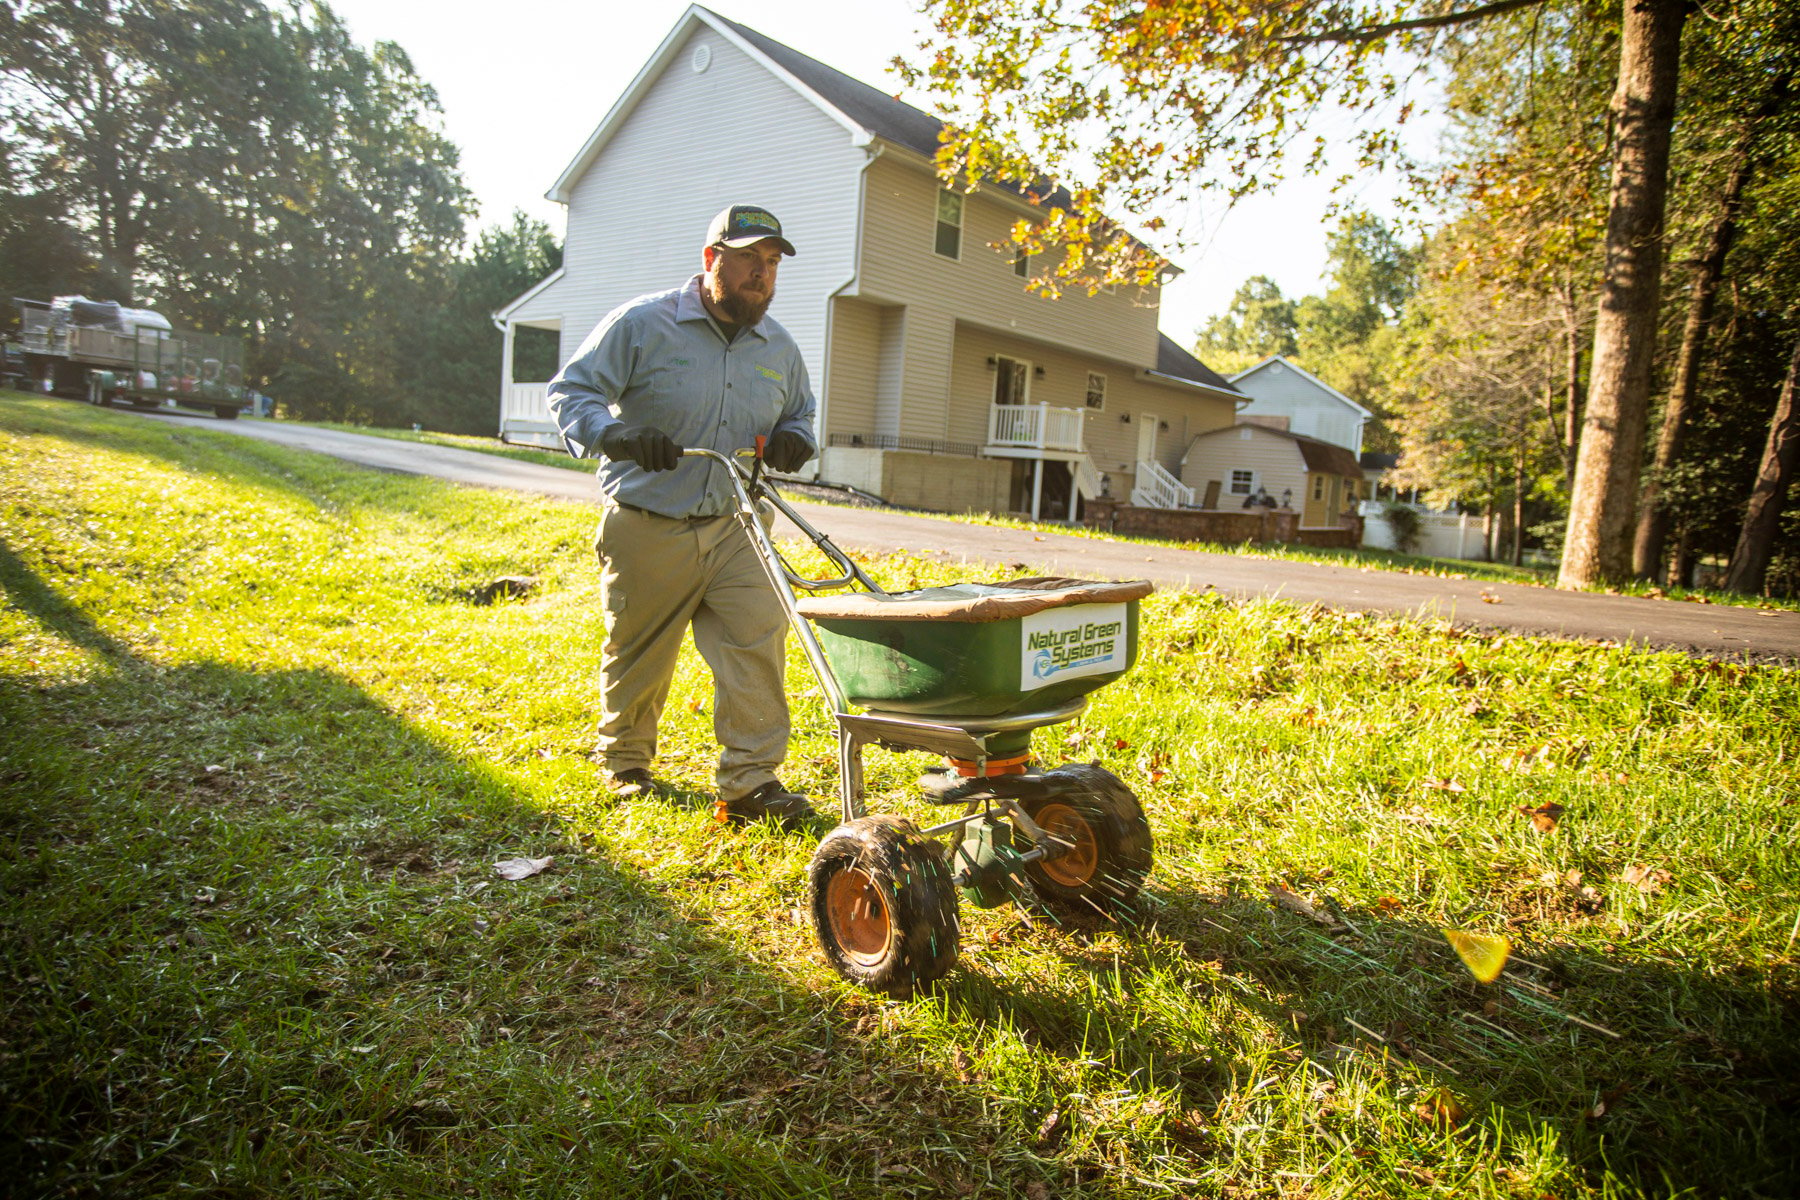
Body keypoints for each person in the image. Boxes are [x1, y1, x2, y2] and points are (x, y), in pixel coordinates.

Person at [546, 204, 818, 830]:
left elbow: (800, 414)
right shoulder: (643, 324)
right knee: (640, 651)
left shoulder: (779, 346)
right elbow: (573, 390)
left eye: (772, 263)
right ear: (711, 259)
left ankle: (751, 783)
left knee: (757, 647)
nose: (762, 274)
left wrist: (796, 439)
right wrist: (614, 433)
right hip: (649, 522)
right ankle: (626, 764)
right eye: (748, 258)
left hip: (739, 527)